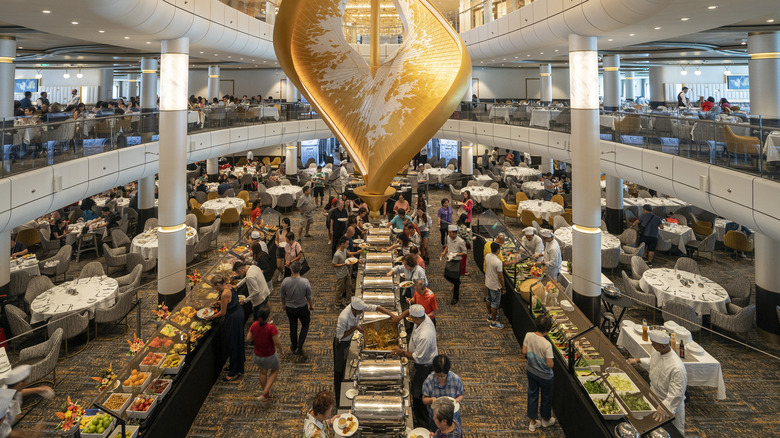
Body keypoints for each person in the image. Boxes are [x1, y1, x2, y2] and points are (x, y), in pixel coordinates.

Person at [333, 297, 399, 394]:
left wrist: (393, 316)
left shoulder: (358, 307)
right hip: (341, 343)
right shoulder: (343, 317)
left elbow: (377, 308)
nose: (362, 312)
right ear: (354, 310)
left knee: (345, 364)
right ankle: (338, 393)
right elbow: (340, 336)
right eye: (360, 311)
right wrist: (355, 328)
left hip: (349, 338)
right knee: (339, 369)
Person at [627, 330, 687, 436]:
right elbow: (652, 362)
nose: (652, 345)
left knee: (672, 433)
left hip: (670, 405)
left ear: (664, 346)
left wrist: (664, 407)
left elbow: (676, 394)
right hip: (654, 396)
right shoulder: (658, 351)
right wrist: (637, 360)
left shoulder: (677, 367)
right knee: (652, 430)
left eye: (654, 344)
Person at [392, 304, 438, 428]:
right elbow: (408, 310)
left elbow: (418, 357)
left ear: (417, 319)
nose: (410, 317)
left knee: (418, 393)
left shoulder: (425, 335)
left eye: (412, 318)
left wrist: (401, 352)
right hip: (420, 361)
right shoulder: (422, 317)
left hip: (424, 365)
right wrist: (399, 317)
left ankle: (423, 423)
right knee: (416, 388)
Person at [205, 274, 244, 381]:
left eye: (214, 287)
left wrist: (211, 317)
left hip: (233, 318)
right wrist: (219, 303)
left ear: (218, 284)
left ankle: (234, 372)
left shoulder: (224, 294)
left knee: (233, 343)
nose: (214, 289)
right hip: (238, 313)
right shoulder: (229, 286)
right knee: (235, 341)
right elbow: (229, 302)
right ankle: (234, 365)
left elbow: (223, 312)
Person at [523, 315, 557, 431]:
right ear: (547, 330)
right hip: (546, 376)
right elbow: (550, 364)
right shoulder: (547, 345)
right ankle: (546, 420)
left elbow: (524, 351)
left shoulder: (528, 335)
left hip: (531, 371)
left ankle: (532, 422)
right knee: (546, 397)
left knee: (532, 395)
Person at [246, 306, 281, 401]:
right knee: (275, 370)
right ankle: (265, 391)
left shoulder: (254, 325)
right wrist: (281, 350)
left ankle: (265, 395)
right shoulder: (271, 327)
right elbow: (276, 342)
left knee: (263, 372)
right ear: (268, 316)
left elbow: (248, 338)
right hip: (269, 355)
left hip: (257, 355)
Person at [422, 355, 464, 432]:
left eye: (443, 376)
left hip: (452, 419)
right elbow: (424, 400)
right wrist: (431, 400)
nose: (440, 378)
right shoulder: (429, 380)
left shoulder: (455, 379)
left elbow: (461, 395)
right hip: (436, 420)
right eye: (438, 376)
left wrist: (457, 400)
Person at [280, 261, 313, 356]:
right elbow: (309, 296)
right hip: (302, 308)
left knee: (293, 327)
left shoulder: (285, 281)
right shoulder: (305, 281)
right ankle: (299, 346)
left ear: (291, 269)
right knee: (305, 325)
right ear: (301, 269)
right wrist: (311, 305)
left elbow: (282, 296)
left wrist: (283, 305)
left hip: (290, 308)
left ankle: (294, 346)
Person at [441, 225, 466, 305]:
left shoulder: (461, 241)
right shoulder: (448, 237)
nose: (448, 234)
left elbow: (465, 252)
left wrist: (456, 254)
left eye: (450, 232)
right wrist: (444, 252)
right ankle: (457, 283)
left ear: (454, 233)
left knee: (455, 280)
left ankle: (455, 298)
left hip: (457, 262)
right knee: (446, 275)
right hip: (449, 260)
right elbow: (448, 245)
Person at [484, 242, 506, 329]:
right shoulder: (498, 262)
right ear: (498, 250)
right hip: (495, 286)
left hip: (488, 282)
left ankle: (490, 316)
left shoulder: (487, 256)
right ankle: (493, 322)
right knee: (494, 305)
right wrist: (503, 288)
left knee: (488, 299)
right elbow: (501, 277)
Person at [333, 236, 360, 305]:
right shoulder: (337, 254)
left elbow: (348, 253)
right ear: (342, 244)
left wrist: (356, 253)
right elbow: (334, 264)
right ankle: (338, 303)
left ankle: (349, 301)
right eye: (347, 244)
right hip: (340, 274)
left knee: (349, 286)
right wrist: (343, 264)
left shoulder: (344, 249)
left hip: (346, 271)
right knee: (340, 289)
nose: (348, 245)